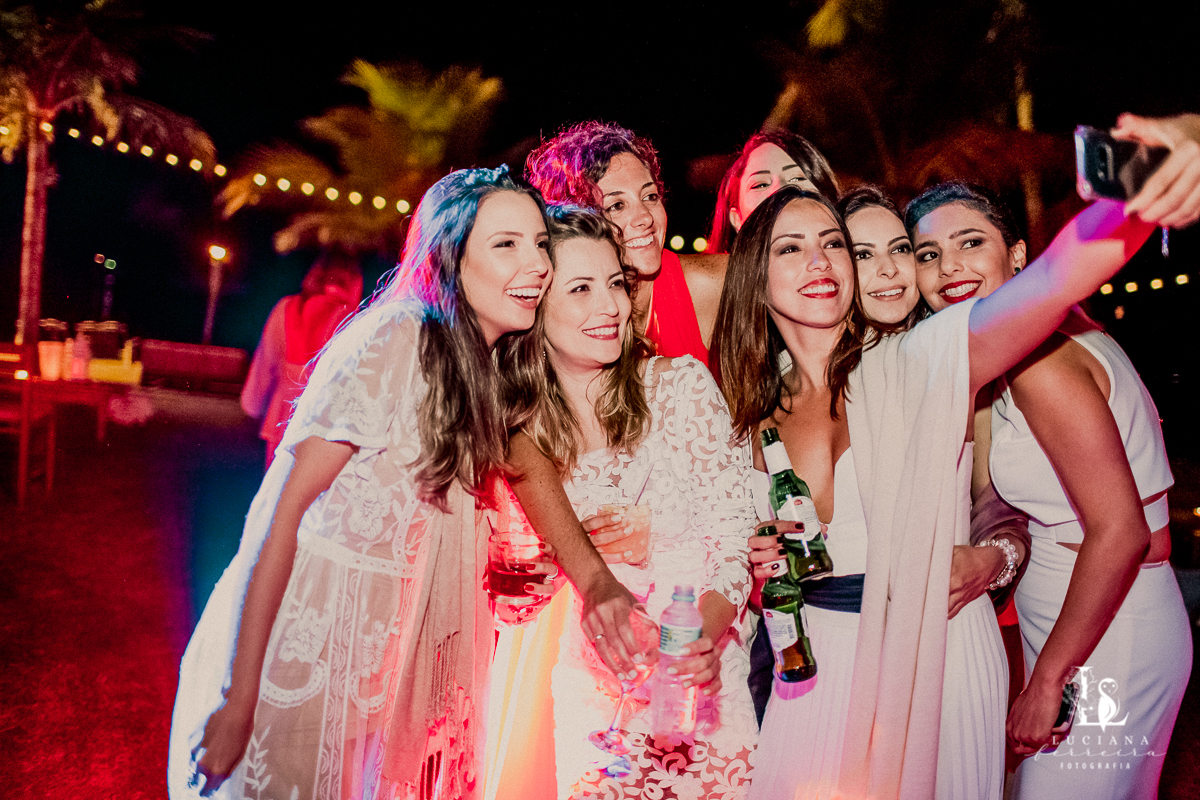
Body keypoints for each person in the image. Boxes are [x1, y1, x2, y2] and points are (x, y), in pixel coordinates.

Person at [711, 167, 1192, 798]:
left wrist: (1140, 185)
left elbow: (1052, 284)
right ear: (756, 277)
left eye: (831, 243)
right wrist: (749, 558)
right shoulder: (743, 402)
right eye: (792, 247)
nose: (820, 261)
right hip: (814, 664)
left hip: (937, 657)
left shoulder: (920, 361)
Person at [169, 165, 602, 800]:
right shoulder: (399, 339)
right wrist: (240, 697)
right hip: (296, 666)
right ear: (450, 256)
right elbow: (277, 514)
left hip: (372, 679)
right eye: (506, 243)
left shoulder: (476, 368)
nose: (537, 263)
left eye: (540, 243)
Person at [906, 144, 1193, 797]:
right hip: (1087, 622)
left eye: (970, 243)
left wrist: (1049, 681)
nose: (949, 266)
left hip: (1107, 637)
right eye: (928, 254)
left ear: (1017, 258)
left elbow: (1122, 531)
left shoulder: (1042, 363)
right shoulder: (1047, 340)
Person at [490, 206, 758, 798]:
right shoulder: (517, 434)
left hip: (700, 688)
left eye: (615, 283)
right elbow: (511, 596)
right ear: (535, 304)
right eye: (581, 288)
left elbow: (736, 537)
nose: (610, 306)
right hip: (594, 693)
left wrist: (701, 642)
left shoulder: (680, 386)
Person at [525, 121, 725, 366]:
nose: (645, 217)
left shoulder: (715, 284)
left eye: (650, 196)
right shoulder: (548, 317)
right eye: (617, 205)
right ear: (575, 223)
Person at [240, 250, 364, 468]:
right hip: (324, 422)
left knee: (275, 492)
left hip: (281, 417)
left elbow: (264, 363)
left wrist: (253, 404)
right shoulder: (352, 318)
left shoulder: (286, 307)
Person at [706, 128, 840, 256]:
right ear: (737, 220)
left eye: (796, 178)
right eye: (761, 185)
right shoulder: (700, 277)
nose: (780, 189)